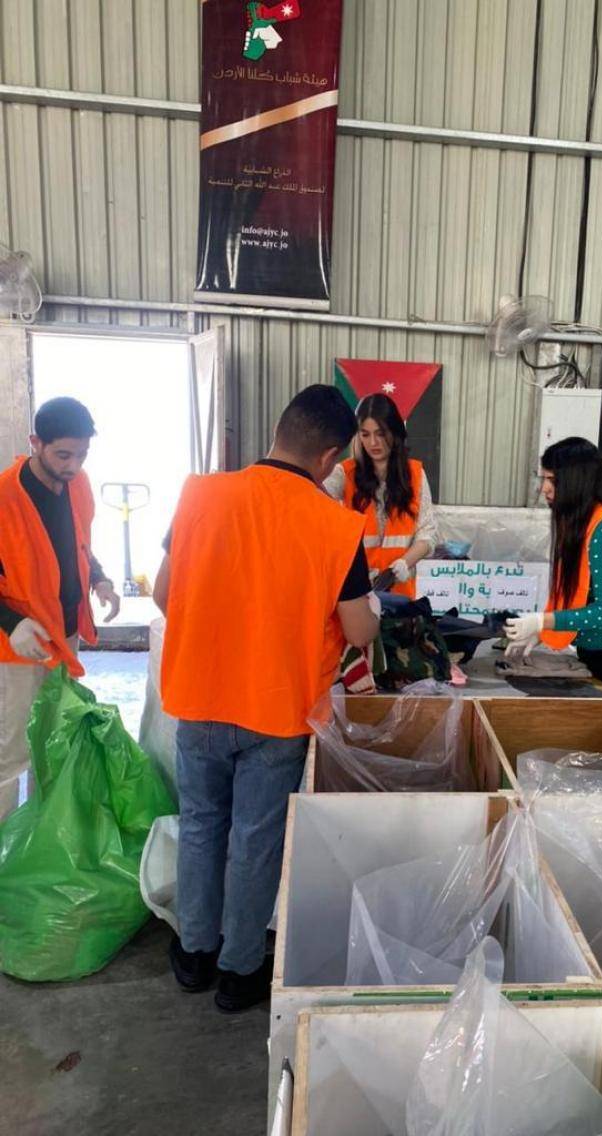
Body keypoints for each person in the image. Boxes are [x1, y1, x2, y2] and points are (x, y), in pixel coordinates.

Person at [154, 384, 379, 1013]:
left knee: (201, 825)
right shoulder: (337, 527)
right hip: (278, 711)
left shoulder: (199, 495)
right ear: (330, 457)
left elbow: (165, 595)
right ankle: (239, 972)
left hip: (199, 696)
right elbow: (359, 630)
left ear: (279, 431)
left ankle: (194, 955)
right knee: (255, 840)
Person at [0, 397, 120, 820]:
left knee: (54, 738)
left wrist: (99, 579)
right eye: (63, 455)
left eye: (82, 455)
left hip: (64, 635)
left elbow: (79, 544)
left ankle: (43, 834)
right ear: (36, 443)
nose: (73, 465)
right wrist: (11, 622)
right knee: (11, 749)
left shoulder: (78, 484)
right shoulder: (4, 497)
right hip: (18, 645)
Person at [505, 437, 602, 704]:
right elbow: (578, 594)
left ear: (576, 480)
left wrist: (543, 622)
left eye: (552, 480)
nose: (544, 488)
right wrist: (542, 632)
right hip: (594, 651)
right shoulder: (579, 522)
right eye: (543, 479)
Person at [324, 393, 437, 597]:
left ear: (395, 432)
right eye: (365, 434)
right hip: (357, 595)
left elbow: (427, 534)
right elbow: (312, 497)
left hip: (400, 597)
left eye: (381, 433)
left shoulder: (415, 474)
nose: (373, 442)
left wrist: (404, 563)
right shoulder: (343, 474)